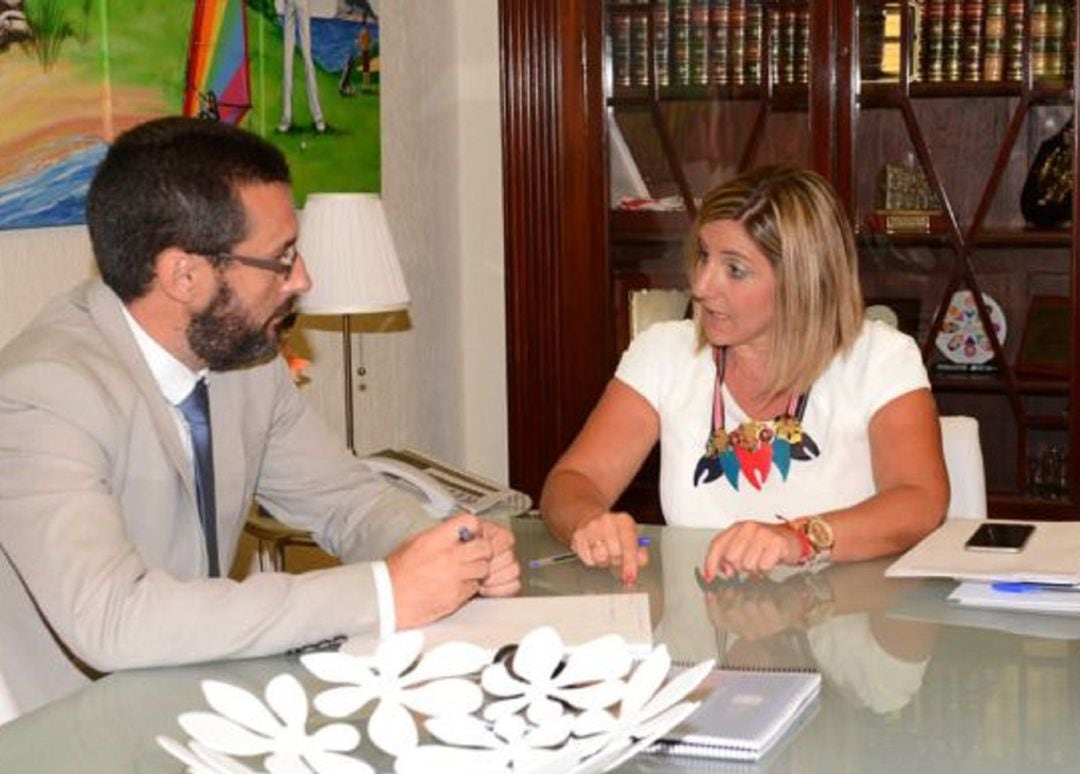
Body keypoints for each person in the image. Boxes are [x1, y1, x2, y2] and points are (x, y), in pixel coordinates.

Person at [0, 117, 519, 681]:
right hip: (69, 735)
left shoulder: (241, 356)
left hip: (200, 691)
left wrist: (443, 551)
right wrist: (385, 591)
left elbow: (347, 502)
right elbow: (114, 620)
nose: (302, 280)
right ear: (183, 275)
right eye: (282, 258)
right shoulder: (41, 395)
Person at [540, 165, 948, 585]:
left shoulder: (879, 358)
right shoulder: (663, 352)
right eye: (703, 256)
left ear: (801, 280)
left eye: (734, 269)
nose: (701, 285)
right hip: (698, 643)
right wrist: (588, 521)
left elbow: (919, 502)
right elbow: (574, 480)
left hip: (845, 625)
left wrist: (798, 538)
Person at [278, 0, 326, 133]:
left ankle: (318, 117)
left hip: (302, 3)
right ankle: (286, 118)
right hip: (288, 4)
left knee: (307, 58)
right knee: (287, 62)